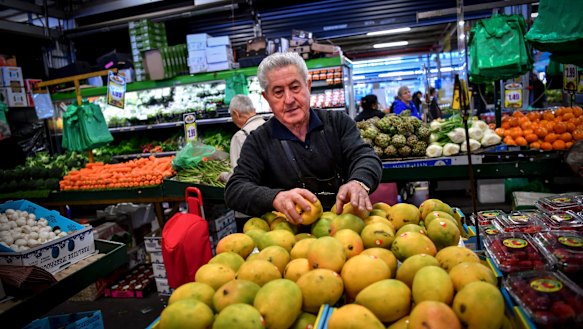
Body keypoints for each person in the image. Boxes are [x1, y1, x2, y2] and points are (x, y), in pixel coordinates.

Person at [224, 52, 382, 224]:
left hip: (344, 227)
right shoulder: (258, 141)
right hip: (289, 239)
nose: (289, 99)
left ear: (308, 85)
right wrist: (275, 197)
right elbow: (235, 189)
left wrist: (359, 182)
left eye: (295, 87)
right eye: (278, 92)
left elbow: (365, 157)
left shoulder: (338, 123)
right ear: (266, 98)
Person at [218, 94, 266, 183]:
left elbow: (238, 178)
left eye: (232, 116)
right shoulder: (270, 127)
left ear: (236, 114)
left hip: (257, 192)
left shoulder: (240, 136)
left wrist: (223, 176)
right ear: (254, 110)